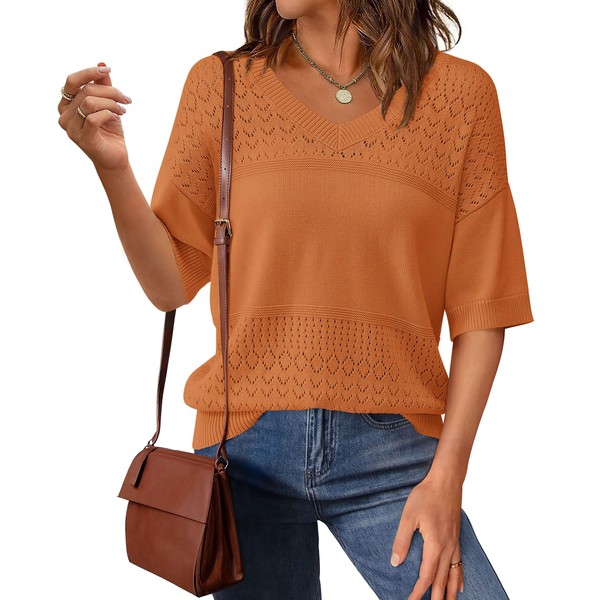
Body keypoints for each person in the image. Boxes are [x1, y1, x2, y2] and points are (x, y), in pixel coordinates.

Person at [57, 1, 534, 598]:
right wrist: (113, 168)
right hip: (243, 453)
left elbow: (482, 307)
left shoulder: (460, 97)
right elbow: (169, 284)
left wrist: (448, 478)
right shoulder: (222, 86)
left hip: (395, 451)